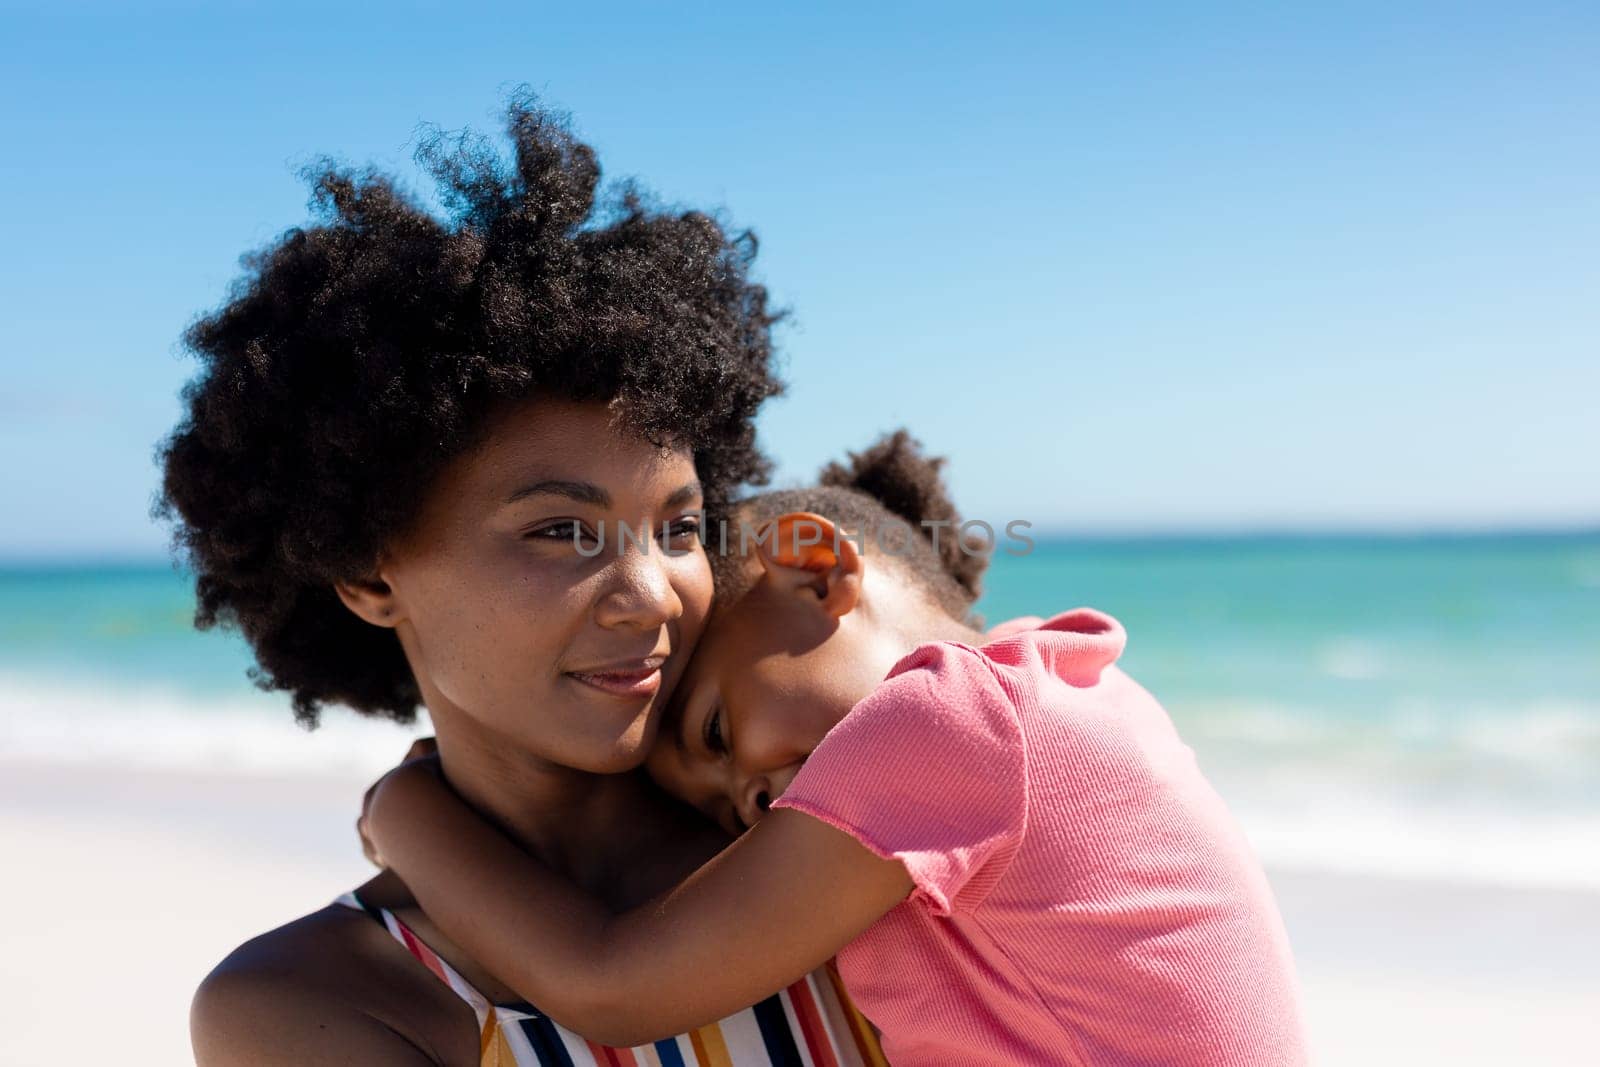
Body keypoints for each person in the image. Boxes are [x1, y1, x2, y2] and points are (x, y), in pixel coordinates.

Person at [167, 96, 885, 1065]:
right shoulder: (316, 1002)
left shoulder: (849, 844)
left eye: (677, 526)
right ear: (367, 575)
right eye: (560, 530)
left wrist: (401, 811)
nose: (652, 592)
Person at [363, 432, 1313, 1066]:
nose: (749, 803)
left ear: (816, 570)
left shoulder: (948, 721)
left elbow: (612, 988)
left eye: (718, 732)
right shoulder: (1048, 696)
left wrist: (402, 812)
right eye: (719, 805)